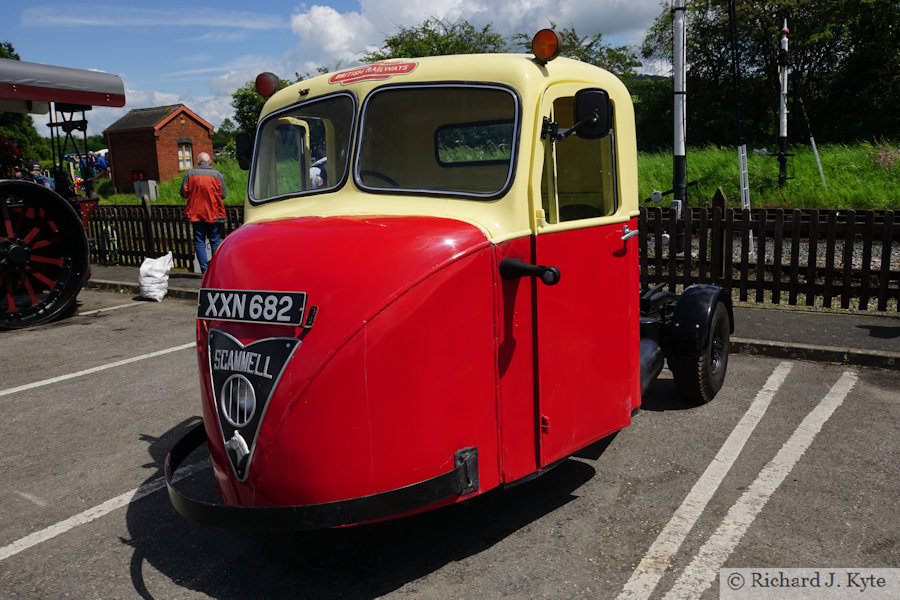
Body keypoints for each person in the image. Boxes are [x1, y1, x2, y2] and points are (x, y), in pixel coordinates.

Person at [180, 152, 227, 274]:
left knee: (199, 240)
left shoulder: (190, 174)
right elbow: (223, 195)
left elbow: (183, 193)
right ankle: (215, 269)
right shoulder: (217, 175)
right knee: (215, 240)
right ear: (210, 161)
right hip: (214, 213)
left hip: (196, 213)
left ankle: (204, 270)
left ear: (198, 162)